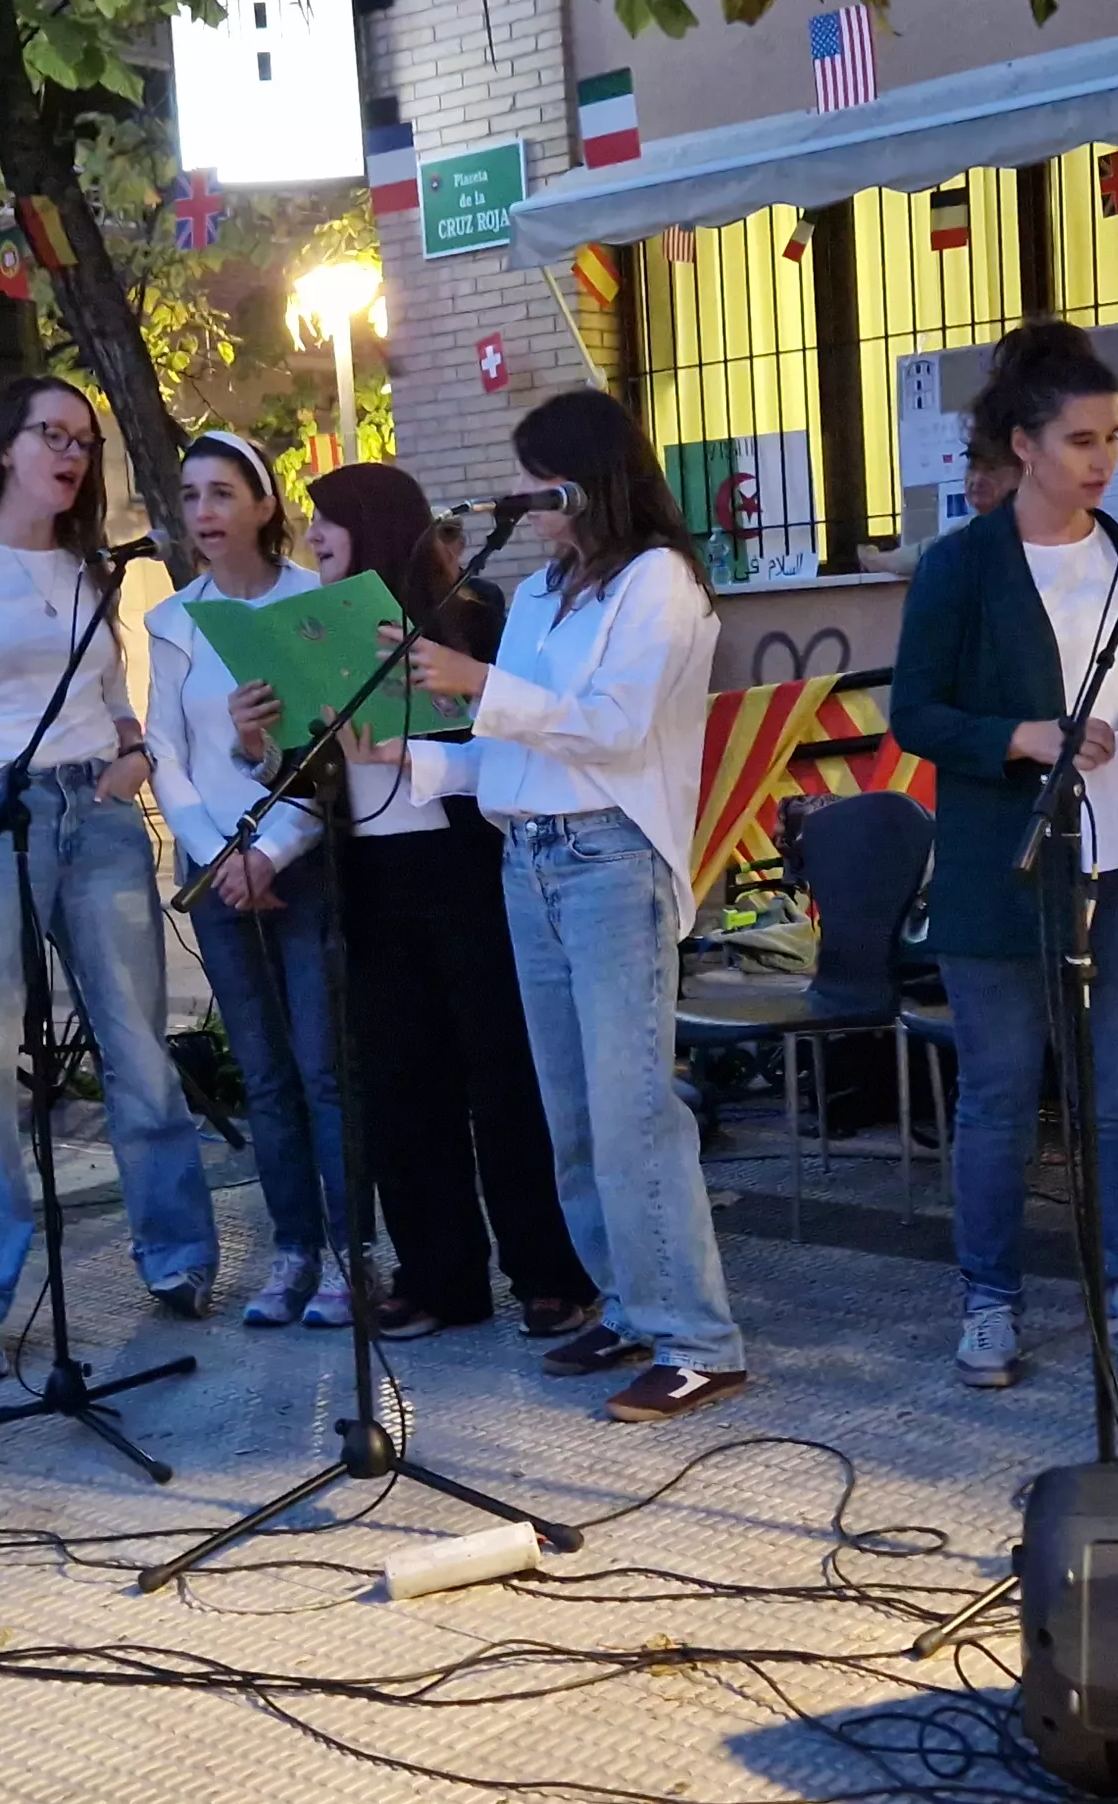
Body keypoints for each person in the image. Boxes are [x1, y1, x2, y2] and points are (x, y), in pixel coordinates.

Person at [365, 389, 749, 1423]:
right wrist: (412, 757)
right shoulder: (541, 590)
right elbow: (522, 747)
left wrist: (477, 684)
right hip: (527, 856)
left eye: (541, 477)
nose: (525, 496)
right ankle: (626, 1304)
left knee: (631, 1114)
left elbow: (611, 728)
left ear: (589, 479)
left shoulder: (658, 582)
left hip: (610, 859)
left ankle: (699, 1339)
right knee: (569, 1113)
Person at [0, 375, 221, 1385]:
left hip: (97, 816)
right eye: (55, 436)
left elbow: (109, 691)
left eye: (85, 441)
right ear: (6, 444)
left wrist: (135, 752)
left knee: (139, 1049)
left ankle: (177, 1255)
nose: (73, 455)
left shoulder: (90, 563)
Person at [892, 321, 1118, 1392]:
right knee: (998, 1096)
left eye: (1114, 437)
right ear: (1023, 445)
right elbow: (915, 712)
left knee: (1117, 1096)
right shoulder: (961, 565)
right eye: (1081, 439)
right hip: (1005, 867)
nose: (1103, 459)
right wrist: (1017, 736)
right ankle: (989, 1300)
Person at [288, 461, 601, 1342]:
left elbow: (513, 744)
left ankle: (549, 1271)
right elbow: (307, 772)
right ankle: (438, 1276)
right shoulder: (309, 632)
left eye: (329, 520)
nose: (313, 538)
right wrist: (260, 738)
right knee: (401, 1085)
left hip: (467, 867)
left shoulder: (472, 621)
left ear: (376, 526)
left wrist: (436, 699)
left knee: (503, 1079)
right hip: (369, 876)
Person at [141, 429, 352, 1330]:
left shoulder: (315, 602)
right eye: (191, 496)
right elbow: (164, 750)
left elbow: (337, 751)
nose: (203, 513)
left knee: (323, 1068)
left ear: (266, 505)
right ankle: (293, 1248)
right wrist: (219, 852)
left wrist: (273, 851)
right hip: (217, 869)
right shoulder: (173, 620)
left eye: (222, 493)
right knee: (262, 1074)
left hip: (301, 864)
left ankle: (352, 1251)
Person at [857, 448, 1020, 577]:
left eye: (991, 469)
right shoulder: (976, 524)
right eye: (972, 467)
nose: (977, 480)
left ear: (1018, 475)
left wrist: (876, 560)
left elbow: (928, 554)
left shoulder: (1012, 524)